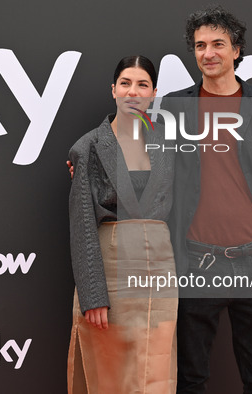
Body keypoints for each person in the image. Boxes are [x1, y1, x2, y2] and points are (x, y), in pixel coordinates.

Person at [160, 6, 252, 393]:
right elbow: (150, 170)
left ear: (236, 50)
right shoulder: (175, 106)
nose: (208, 53)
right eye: (200, 45)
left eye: (218, 44)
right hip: (195, 262)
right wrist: (90, 162)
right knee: (190, 380)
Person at [67, 55, 178, 394]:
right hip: (111, 268)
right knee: (110, 373)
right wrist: (93, 295)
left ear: (154, 92)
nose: (134, 91)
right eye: (126, 83)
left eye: (142, 84)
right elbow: (83, 222)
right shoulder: (87, 147)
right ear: (113, 90)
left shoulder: (171, 145)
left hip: (160, 270)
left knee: (156, 370)